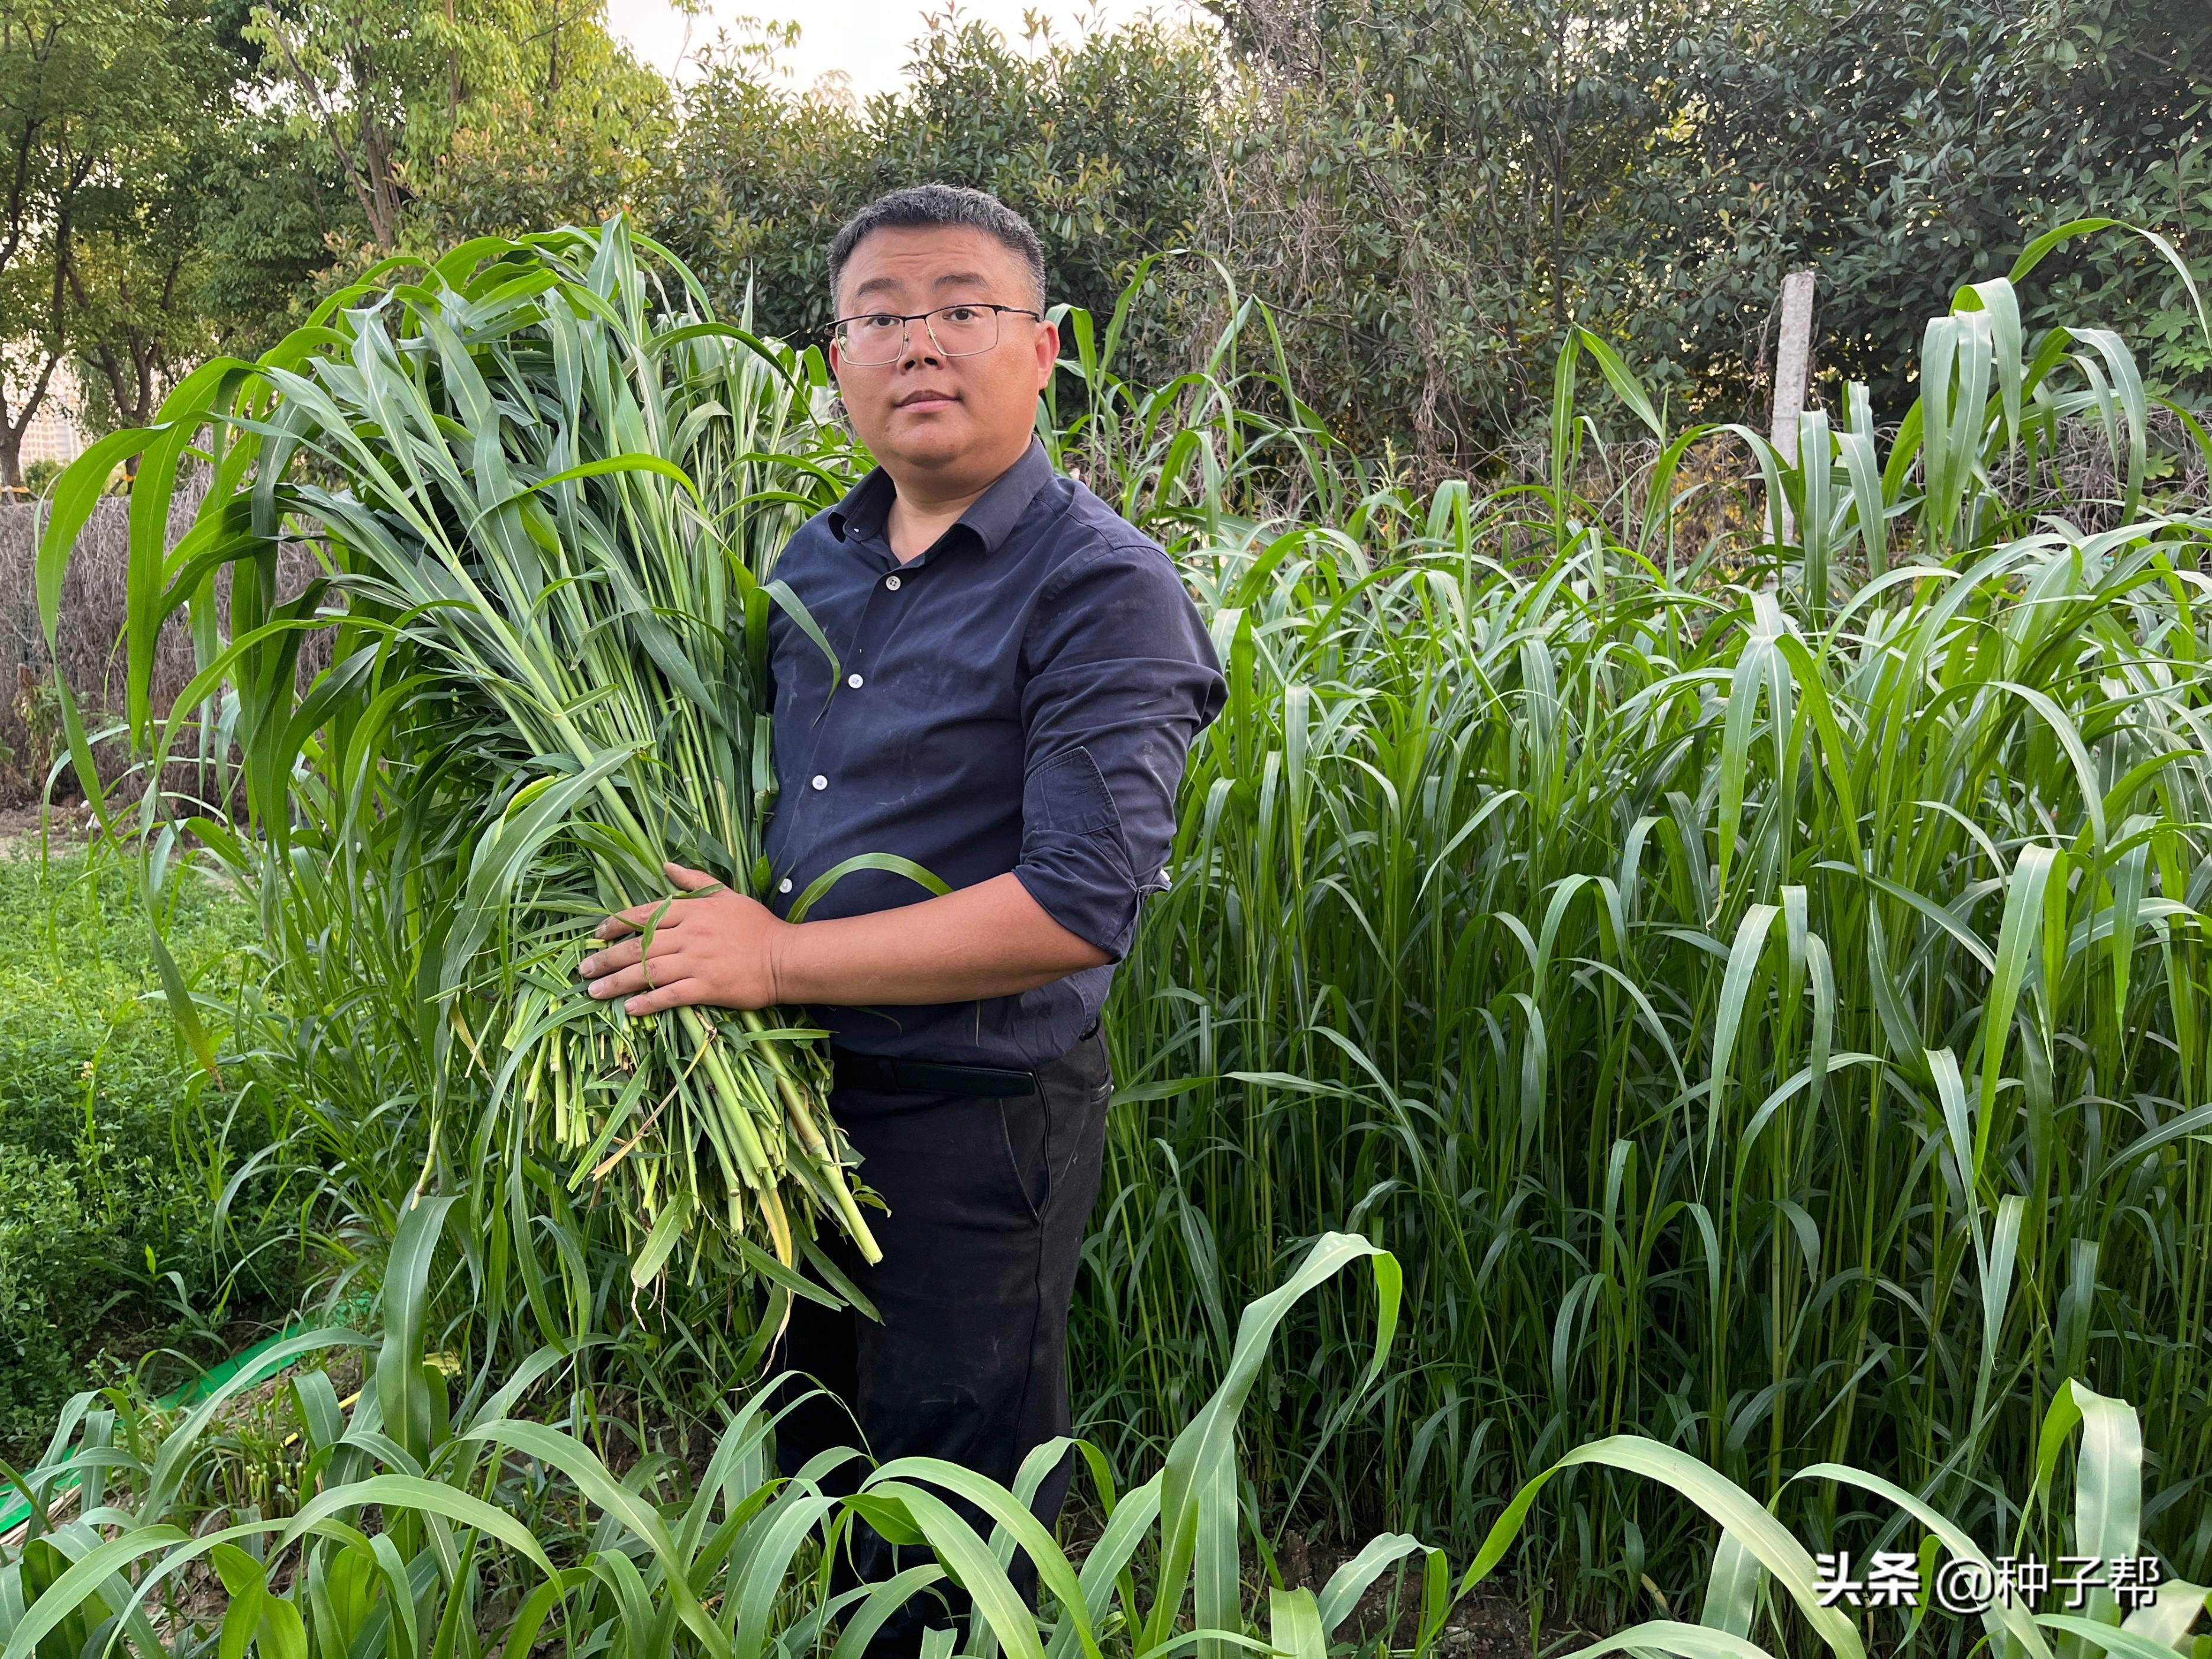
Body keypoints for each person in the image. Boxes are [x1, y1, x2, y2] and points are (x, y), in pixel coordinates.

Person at [574, 183, 1226, 1651]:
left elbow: (1076, 901)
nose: (918, 344)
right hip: (798, 1098)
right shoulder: (812, 565)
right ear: (834, 360)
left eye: (960, 309)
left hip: (976, 1117)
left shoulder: (1101, 586)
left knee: (947, 1511)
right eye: (881, 316)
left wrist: (776, 956)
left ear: (1044, 347)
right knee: (814, 1470)